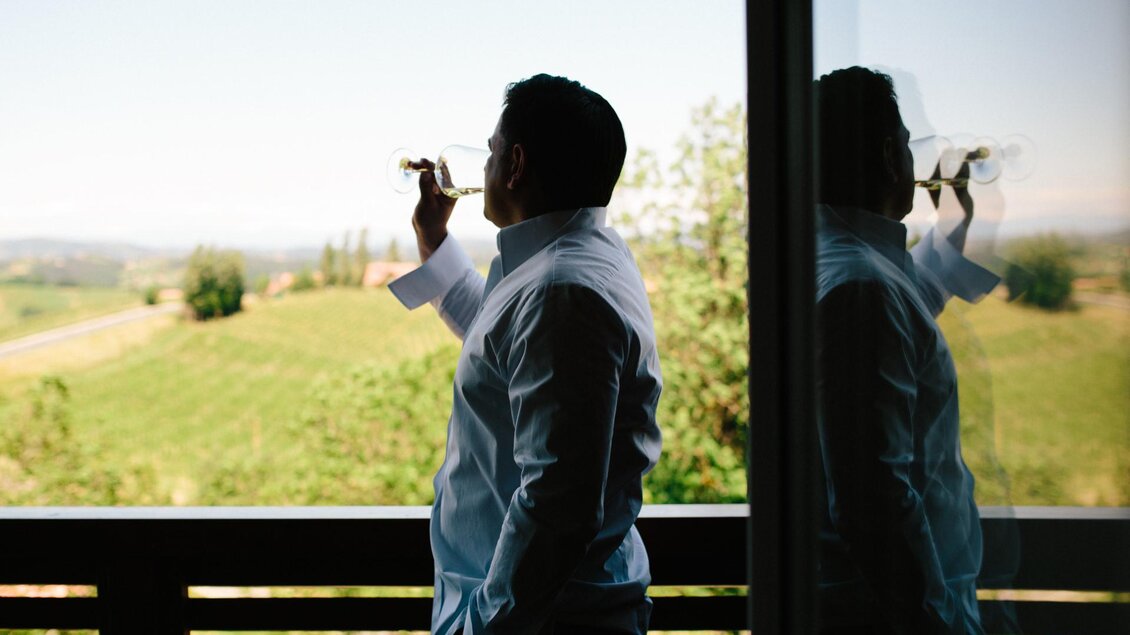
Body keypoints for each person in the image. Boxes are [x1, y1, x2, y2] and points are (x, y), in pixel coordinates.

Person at [388, 74, 662, 635]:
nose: (482, 169)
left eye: (489, 152)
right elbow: (499, 345)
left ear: (514, 165)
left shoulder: (562, 290)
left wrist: (483, 626)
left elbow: (558, 506)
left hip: (541, 624)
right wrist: (433, 239)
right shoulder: (571, 265)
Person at [812, 66, 1000, 635]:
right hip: (898, 617)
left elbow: (912, 293)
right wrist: (935, 620)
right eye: (906, 145)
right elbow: (874, 503)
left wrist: (956, 219)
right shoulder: (860, 288)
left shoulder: (839, 264)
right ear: (891, 160)